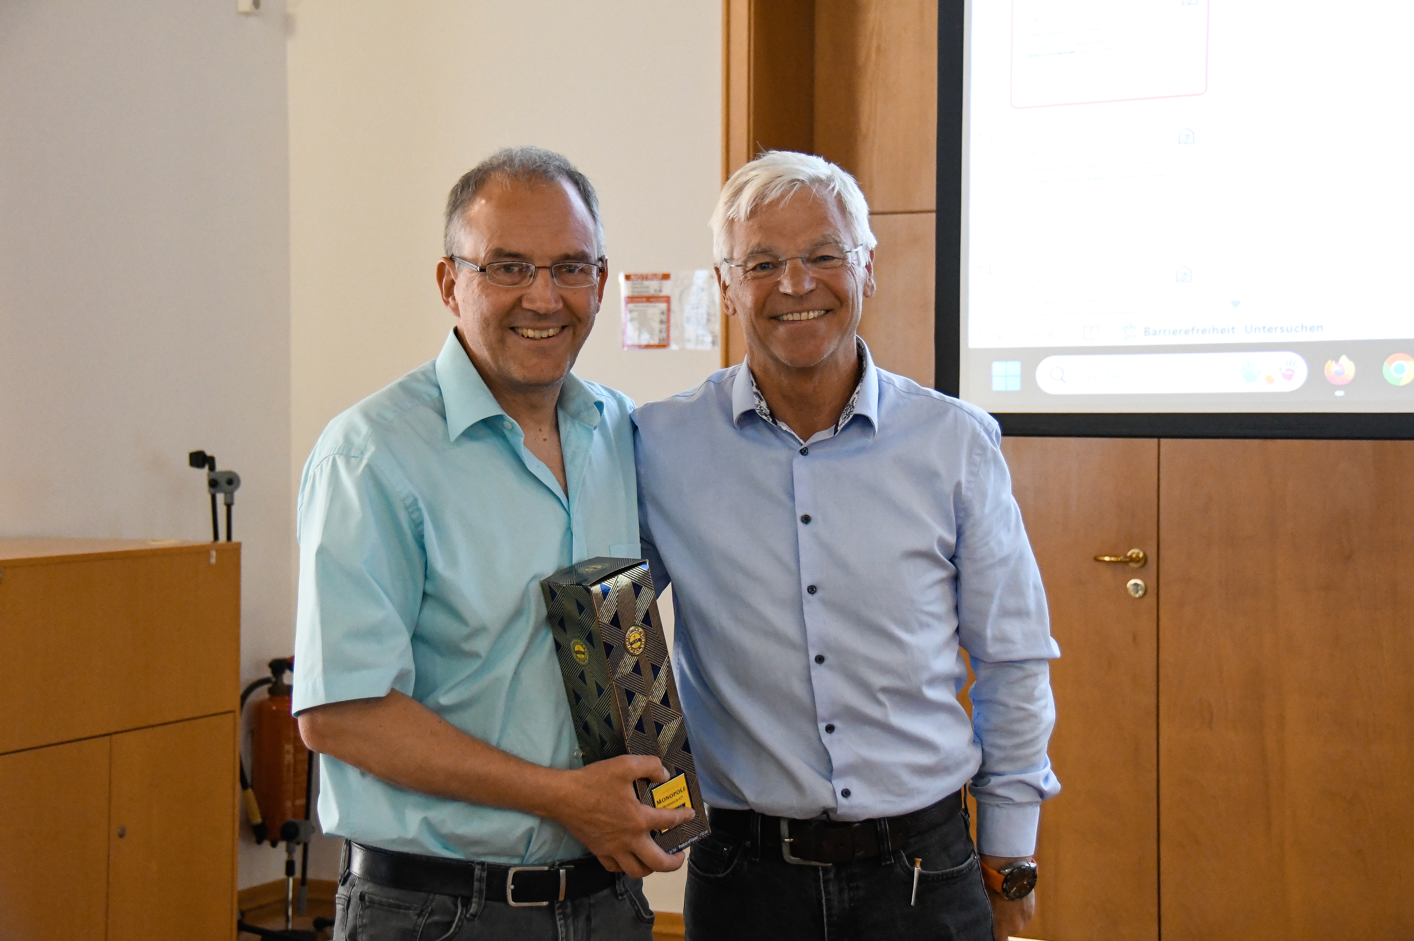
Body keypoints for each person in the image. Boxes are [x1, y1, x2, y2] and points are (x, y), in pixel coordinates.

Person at [633, 151, 1061, 941]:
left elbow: (1013, 658)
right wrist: (649, 804)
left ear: (867, 268)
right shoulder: (658, 445)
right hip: (743, 879)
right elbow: (610, 631)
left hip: (926, 871)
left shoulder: (955, 443)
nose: (796, 284)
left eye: (824, 254)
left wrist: (1011, 857)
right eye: (762, 263)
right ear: (726, 287)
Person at [292, 146, 692, 941]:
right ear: (450, 283)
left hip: (606, 899)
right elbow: (341, 714)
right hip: (435, 911)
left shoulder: (618, 431)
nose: (543, 296)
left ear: (600, 284)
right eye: (507, 267)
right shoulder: (371, 455)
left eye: (570, 267)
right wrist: (563, 797)